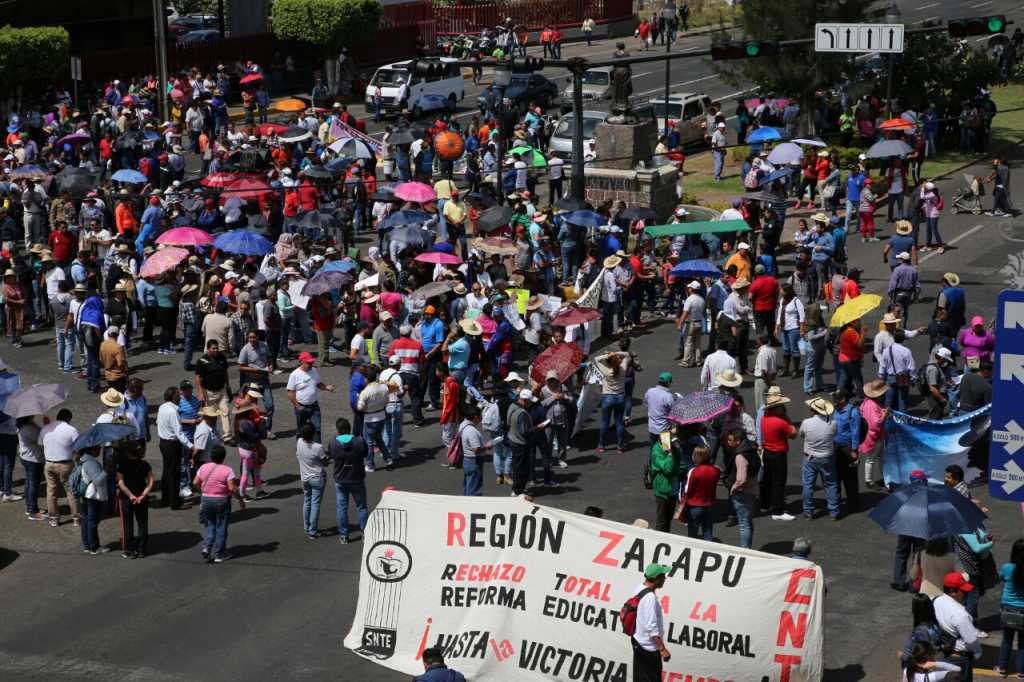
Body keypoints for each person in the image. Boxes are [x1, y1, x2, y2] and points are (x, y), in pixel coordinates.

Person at [194, 444, 245, 563]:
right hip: (222, 500)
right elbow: (232, 488)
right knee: (221, 526)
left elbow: (195, 482)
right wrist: (240, 499)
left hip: (206, 499)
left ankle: (207, 547)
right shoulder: (227, 470)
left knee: (210, 524)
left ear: (211, 456)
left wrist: (203, 491)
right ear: (223, 457)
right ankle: (220, 554)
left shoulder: (204, 467)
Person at [935, 572, 982, 680]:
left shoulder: (936, 601)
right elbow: (971, 641)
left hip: (941, 652)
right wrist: (978, 652)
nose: (966, 594)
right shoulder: (961, 615)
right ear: (952, 592)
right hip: (959, 658)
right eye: (963, 591)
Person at [799, 397, 840, 521]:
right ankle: (833, 511)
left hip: (810, 457)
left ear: (813, 410)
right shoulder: (833, 423)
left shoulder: (806, 422)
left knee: (808, 484)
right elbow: (834, 435)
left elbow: (801, 435)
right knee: (831, 483)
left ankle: (808, 511)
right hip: (827, 457)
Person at [329, 418, 369, 544]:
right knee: (361, 506)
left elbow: (331, 455)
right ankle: (365, 533)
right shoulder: (359, 441)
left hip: (341, 479)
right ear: (349, 428)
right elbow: (365, 454)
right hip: (356, 477)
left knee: (342, 507)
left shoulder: (333, 443)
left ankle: (344, 535)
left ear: (338, 430)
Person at [631, 563, 672, 682]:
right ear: (656, 578)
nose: (665, 578)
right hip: (648, 648)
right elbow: (652, 628)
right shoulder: (650, 597)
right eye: (663, 576)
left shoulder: (640, 588)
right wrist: (662, 649)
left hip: (639, 642)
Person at [39, 408, 80, 528]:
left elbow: (41, 444)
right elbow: (78, 449)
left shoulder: (45, 428)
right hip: (66, 464)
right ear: (68, 419)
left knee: (51, 492)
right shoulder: (71, 430)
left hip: (49, 464)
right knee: (71, 491)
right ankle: (76, 519)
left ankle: (54, 519)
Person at [760, 393, 796, 521]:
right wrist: (787, 419)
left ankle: (764, 504)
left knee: (767, 479)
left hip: (767, 451)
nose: (783, 408)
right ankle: (778, 511)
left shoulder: (764, 418)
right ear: (775, 408)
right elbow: (793, 434)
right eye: (781, 406)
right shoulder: (780, 422)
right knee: (779, 482)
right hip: (778, 454)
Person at [156, 386, 193, 510]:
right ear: (174, 397)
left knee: (166, 472)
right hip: (172, 444)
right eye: (178, 395)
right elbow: (179, 433)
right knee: (174, 474)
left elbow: (158, 422)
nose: (180, 398)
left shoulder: (162, 407)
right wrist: (191, 446)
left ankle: (165, 499)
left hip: (163, 443)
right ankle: (175, 502)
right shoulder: (173, 411)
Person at [115, 443, 154, 558]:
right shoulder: (145, 465)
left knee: (127, 525)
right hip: (141, 498)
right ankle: (142, 549)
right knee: (142, 524)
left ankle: (130, 550)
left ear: (128, 453)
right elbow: (151, 482)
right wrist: (142, 495)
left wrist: (130, 495)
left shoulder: (121, 465)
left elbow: (121, 483)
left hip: (126, 499)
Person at [287, 351, 334, 443]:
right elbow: (290, 393)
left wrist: (326, 387)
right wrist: (298, 406)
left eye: (311, 362)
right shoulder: (294, 375)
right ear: (301, 361)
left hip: (314, 406)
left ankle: (318, 452)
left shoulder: (314, 370)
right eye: (308, 363)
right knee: (301, 430)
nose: (311, 364)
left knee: (317, 429)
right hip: (301, 406)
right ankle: (301, 450)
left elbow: (318, 383)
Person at [594, 350, 630, 454]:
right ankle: (619, 446)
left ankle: (601, 445)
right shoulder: (623, 368)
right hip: (620, 397)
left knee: (605, 422)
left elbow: (596, 359)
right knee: (619, 423)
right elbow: (627, 354)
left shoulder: (605, 370)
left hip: (607, 397)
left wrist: (608, 354)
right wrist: (615, 353)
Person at [296, 422, 327, 539]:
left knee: (307, 502)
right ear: (313, 434)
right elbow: (325, 461)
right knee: (315, 504)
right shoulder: (318, 447)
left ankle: (306, 526)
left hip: (304, 477)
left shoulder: (299, 442)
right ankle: (312, 530)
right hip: (317, 477)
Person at [680, 446, 719, 540]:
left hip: (694, 505)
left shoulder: (694, 471)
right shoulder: (715, 470)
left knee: (693, 532)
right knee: (708, 530)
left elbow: (688, 489)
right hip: (709, 504)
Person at [832, 390, 861, 513]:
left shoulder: (853, 413)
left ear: (843, 399)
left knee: (850, 476)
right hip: (835, 447)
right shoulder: (835, 410)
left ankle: (853, 501)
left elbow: (855, 432)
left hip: (847, 448)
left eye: (836, 399)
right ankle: (836, 499)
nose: (834, 402)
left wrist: (854, 450)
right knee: (836, 475)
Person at [77, 446, 108, 554]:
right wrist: (106, 471)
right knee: (92, 521)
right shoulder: (91, 463)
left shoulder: (83, 459)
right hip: (92, 496)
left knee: (86, 520)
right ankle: (94, 547)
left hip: (85, 495)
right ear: (91, 450)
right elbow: (98, 481)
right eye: (98, 448)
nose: (100, 449)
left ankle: (87, 545)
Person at [859, 379, 890, 488]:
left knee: (880, 457)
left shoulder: (867, 402)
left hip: (873, 436)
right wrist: (884, 415)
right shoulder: (872, 406)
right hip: (873, 437)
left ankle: (885, 477)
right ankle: (869, 481)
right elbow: (876, 424)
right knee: (871, 459)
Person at [459, 405, 490, 496]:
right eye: (480, 416)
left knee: (468, 485)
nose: (481, 418)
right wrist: (487, 447)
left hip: (467, 461)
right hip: (474, 461)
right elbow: (476, 449)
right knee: (474, 488)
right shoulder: (471, 431)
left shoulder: (463, 424)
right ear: (475, 417)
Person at [676, 280, 704, 368]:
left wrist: (680, 324)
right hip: (699, 322)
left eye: (689, 287)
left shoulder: (690, 299)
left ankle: (686, 361)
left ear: (691, 289)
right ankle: (698, 360)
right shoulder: (702, 299)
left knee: (688, 342)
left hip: (691, 323)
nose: (688, 289)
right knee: (698, 343)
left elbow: (685, 313)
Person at [926, 347, 955, 419]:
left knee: (938, 415)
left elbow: (938, 380)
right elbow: (932, 388)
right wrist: (941, 399)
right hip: (935, 398)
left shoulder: (936, 365)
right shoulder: (933, 369)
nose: (946, 362)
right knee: (935, 416)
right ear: (942, 358)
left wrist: (947, 383)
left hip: (937, 396)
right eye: (945, 359)